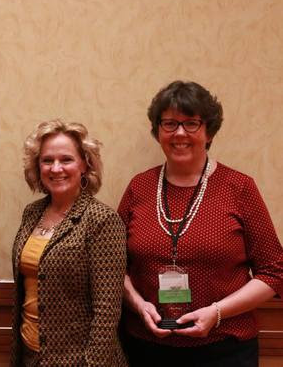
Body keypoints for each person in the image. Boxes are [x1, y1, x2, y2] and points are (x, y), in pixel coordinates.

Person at [118, 80, 283, 366]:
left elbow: (274, 272)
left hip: (225, 348)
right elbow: (112, 265)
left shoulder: (239, 187)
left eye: (191, 123)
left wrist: (217, 312)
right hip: (146, 347)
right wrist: (137, 304)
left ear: (209, 131)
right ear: (157, 131)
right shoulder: (139, 187)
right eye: (169, 123)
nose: (179, 133)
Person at [10, 120, 128, 366]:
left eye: (66, 159)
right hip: (30, 355)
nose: (56, 168)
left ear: (85, 165)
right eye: (47, 160)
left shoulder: (101, 220)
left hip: (79, 360)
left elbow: (107, 312)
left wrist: (91, 363)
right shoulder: (32, 213)